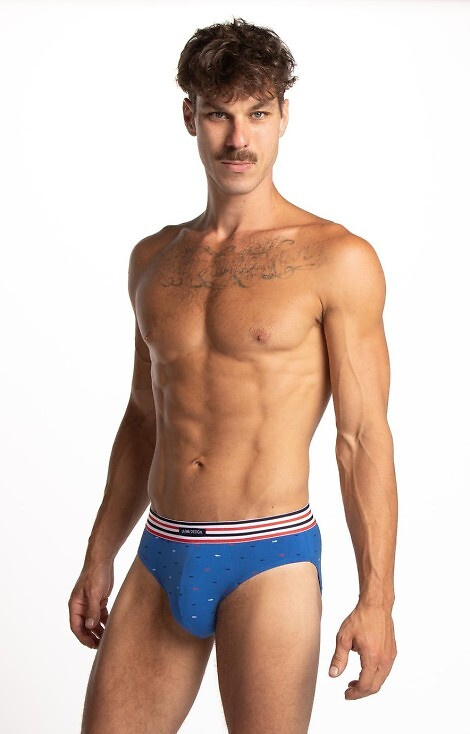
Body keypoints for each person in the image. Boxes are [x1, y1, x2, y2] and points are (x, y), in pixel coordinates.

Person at [69, 17, 398, 734]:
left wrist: (377, 598)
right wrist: (99, 554)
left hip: (269, 558)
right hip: (162, 551)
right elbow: (143, 419)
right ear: (191, 116)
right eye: (220, 113)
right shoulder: (153, 260)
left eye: (257, 113)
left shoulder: (336, 258)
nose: (238, 138)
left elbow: (362, 438)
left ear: (284, 116)